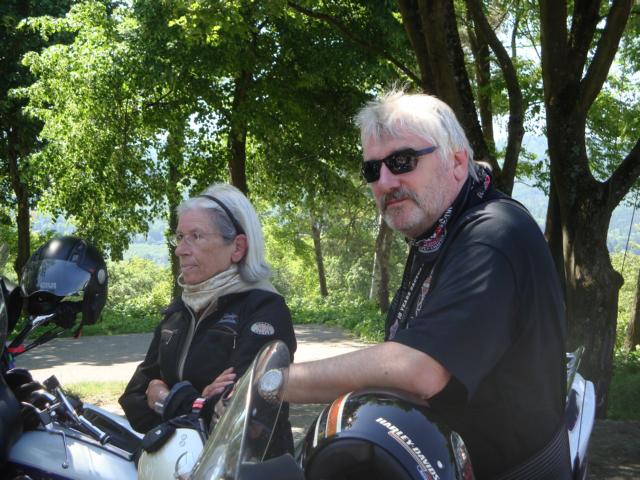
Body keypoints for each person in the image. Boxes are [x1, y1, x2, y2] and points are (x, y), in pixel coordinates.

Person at [283, 91, 569, 478]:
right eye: (372, 170)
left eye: (403, 161)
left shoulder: (493, 235)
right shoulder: (436, 235)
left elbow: (420, 369)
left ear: (457, 162)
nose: (385, 181)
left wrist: (276, 382)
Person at [119, 183, 297, 456]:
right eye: (180, 236)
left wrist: (166, 398)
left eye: (196, 236)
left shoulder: (264, 310)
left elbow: (239, 417)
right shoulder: (179, 311)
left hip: (247, 468)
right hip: (179, 464)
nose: (180, 250)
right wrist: (201, 401)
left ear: (237, 247)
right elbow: (133, 400)